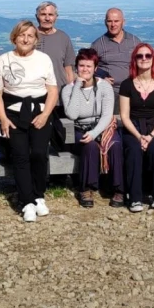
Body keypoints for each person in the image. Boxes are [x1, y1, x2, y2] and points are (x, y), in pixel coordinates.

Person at [0, 20, 59, 223]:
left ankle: (39, 195)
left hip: (40, 112)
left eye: (30, 35)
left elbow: (52, 90)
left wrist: (46, 114)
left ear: (36, 39)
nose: (26, 39)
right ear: (14, 37)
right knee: (20, 156)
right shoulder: (3, 59)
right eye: (22, 35)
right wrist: (2, 118)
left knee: (39, 154)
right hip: (13, 114)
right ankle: (26, 201)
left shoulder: (44, 59)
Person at [61, 48, 123, 208]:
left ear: (96, 68)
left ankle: (118, 188)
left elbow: (107, 115)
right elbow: (72, 114)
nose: (85, 70)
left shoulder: (104, 87)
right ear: (76, 67)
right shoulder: (68, 89)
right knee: (89, 146)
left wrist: (95, 132)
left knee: (115, 145)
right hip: (78, 129)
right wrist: (77, 87)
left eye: (89, 66)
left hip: (102, 127)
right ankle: (86, 188)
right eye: (81, 66)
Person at [118, 43, 154, 212]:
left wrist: (151, 135)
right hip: (133, 128)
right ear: (134, 60)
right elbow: (125, 116)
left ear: (153, 59)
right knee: (133, 150)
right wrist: (139, 136)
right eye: (139, 56)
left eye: (147, 56)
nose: (144, 59)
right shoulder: (126, 85)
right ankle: (135, 198)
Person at [91, 8, 142, 96]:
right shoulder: (98, 45)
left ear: (123, 22)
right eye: (109, 21)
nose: (113, 24)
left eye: (116, 21)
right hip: (110, 92)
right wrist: (99, 79)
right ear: (105, 22)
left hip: (133, 90)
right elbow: (89, 68)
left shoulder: (134, 41)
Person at [34, 1, 76, 90]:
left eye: (51, 15)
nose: (47, 18)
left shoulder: (63, 38)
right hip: (35, 94)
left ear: (56, 17)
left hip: (59, 92)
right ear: (37, 17)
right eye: (43, 14)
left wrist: (70, 92)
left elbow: (69, 70)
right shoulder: (30, 36)